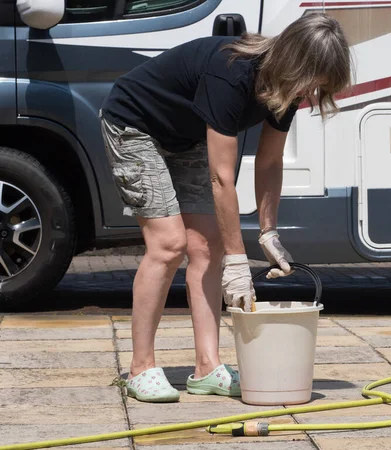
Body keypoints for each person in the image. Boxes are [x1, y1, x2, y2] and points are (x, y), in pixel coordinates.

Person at [99, 13, 352, 403]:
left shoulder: (286, 89)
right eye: (316, 83)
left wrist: (269, 232)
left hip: (183, 136)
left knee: (208, 246)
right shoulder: (232, 73)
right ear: (297, 64)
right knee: (169, 244)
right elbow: (222, 178)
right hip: (134, 125)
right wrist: (239, 261)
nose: (315, 94)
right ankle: (140, 368)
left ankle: (207, 367)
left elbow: (269, 162)